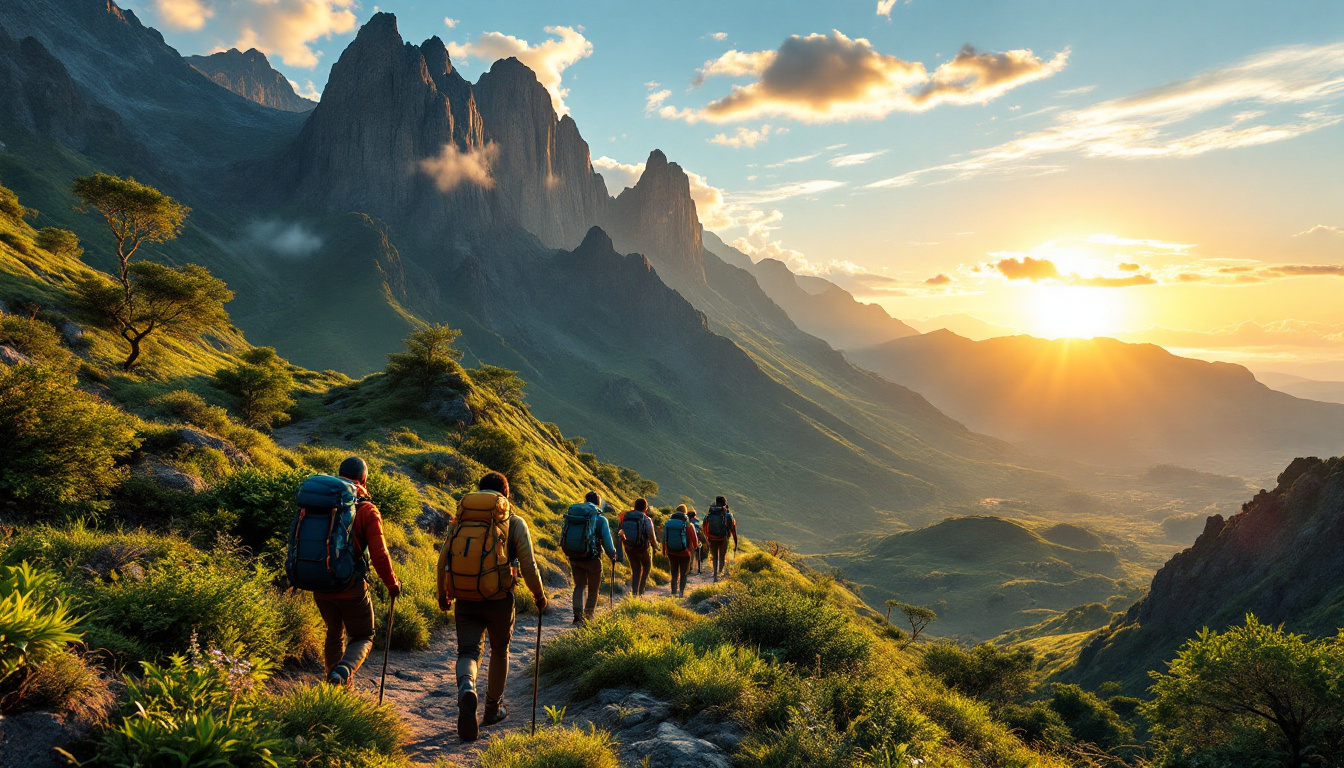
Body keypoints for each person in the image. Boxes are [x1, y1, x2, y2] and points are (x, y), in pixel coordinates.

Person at [436, 471, 548, 742]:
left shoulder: (460, 521)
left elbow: (443, 559)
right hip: (499, 599)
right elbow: (529, 566)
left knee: (468, 651)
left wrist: (443, 594)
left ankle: (467, 688)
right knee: (499, 651)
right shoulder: (515, 523)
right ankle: (492, 709)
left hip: (465, 598)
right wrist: (539, 596)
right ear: (505, 496)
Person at [317, 457, 400, 687]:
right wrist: (392, 585)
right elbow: (380, 555)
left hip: (319, 581)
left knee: (334, 632)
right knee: (364, 636)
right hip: (351, 587)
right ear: (363, 479)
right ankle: (343, 671)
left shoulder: (320, 501)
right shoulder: (366, 509)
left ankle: (335, 687)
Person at [561, 491, 619, 625]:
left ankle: (577, 616)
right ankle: (587, 618)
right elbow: (607, 543)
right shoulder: (600, 519)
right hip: (592, 559)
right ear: (598, 502)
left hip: (574, 557)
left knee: (579, 586)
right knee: (593, 590)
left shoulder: (574, 514)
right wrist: (613, 554)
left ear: (585, 500)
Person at [618, 498, 657, 597]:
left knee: (635, 570)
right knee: (647, 567)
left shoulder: (625, 516)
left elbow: (620, 531)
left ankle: (634, 593)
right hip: (641, 548)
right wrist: (656, 546)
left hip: (629, 547)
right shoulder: (646, 519)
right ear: (645, 508)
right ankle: (641, 592)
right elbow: (651, 535)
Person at [662, 504, 699, 598]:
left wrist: (664, 551)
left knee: (674, 573)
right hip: (685, 553)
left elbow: (664, 538)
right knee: (684, 573)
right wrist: (695, 548)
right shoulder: (688, 525)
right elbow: (695, 541)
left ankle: (673, 592)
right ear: (684, 513)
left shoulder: (668, 523)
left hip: (671, 552)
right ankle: (681, 593)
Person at [703, 496, 739, 582]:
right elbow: (733, 530)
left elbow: (704, 527)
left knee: (715, 557)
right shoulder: (728, 515)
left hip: (711, 538)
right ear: (724, 503)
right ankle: (719, 573)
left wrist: (707, 539)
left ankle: (715, 575)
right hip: (723, 538)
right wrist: (735, 543)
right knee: (722, 556)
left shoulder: (710, 513)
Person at [687, 509, 706, 574]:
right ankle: (699, 569)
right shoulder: (697, 521)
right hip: (695, 541)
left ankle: (689, 567)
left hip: (686, 541)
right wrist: (704, 542)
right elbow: (701, 532)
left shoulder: (686, 522)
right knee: (698, 551)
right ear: (695, 516)